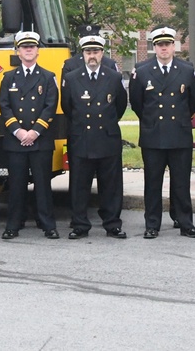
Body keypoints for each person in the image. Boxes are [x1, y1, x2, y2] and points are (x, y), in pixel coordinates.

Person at [128, 26, 195, 239]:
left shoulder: (187, 70)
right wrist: (151, 122)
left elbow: (194, 101)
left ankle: (186, 223)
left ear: (173, 47)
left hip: (179, 134)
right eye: (160, 45)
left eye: (167, 44)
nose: (164, 48)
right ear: (154, 47)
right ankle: (152, 224)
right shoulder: (141, 70)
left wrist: (180, 119)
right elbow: (137, 104)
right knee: (153, 183)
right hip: (153, 135)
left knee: (181, 183)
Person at [61, 31, 128, 239]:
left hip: (107, 138)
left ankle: (112, 224)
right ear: (83, 54)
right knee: (80, 185)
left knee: (111, 185)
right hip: (82, 138)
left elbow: (120, 106)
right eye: (88, 51)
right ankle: (80, 224)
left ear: (102, 54)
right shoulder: (72, 78)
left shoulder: (114, 77)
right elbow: (67, 107)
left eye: (96, 51)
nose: (92, 55)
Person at [0, 31, 59, 239]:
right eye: (25, 47)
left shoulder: (48, 77)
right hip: (16, 140)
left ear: (38, 51)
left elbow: (50, 107)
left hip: (40, 140)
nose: (29, 50)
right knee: (16, 185)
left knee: (43, 185)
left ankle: (48, 224)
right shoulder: (8, 77)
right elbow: (4, 106)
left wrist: (34, 131)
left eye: (32, 47)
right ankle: (13, 225)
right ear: (18, 51)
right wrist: (18, 131)